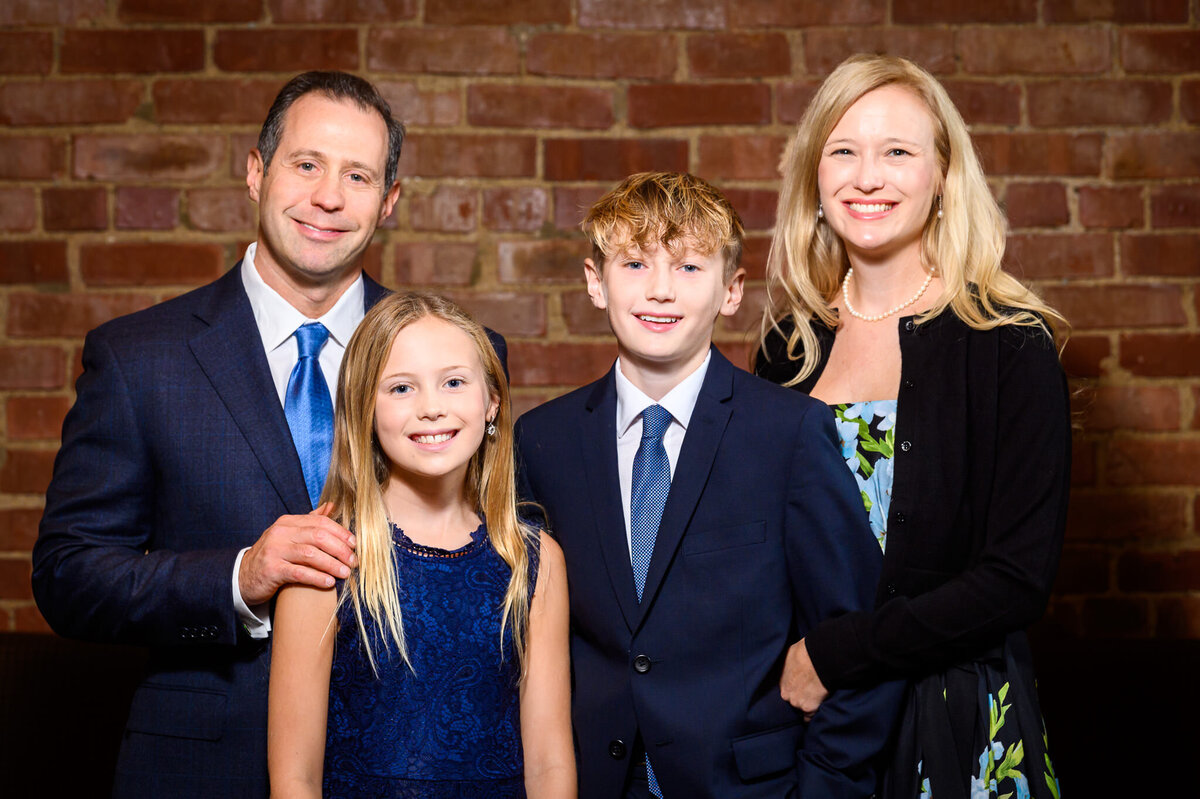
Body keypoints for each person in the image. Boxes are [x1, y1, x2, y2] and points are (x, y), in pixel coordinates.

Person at [32, 71, 503, 798]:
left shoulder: (461, 363)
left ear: (390, 200)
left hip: (416, 765)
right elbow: (68, 574)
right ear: (257, 173)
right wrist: (240, 576)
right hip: (207, 768)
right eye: (306, 164)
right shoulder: (139, 358)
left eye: (358, 175)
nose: (328, 197)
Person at [516, 171, 901, 799]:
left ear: (731, 290)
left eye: (690, 268)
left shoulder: (790, 433)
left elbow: (855, 645)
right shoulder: (542, 442)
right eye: (635, 263)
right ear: (595, 281)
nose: (660, 290)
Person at [754, 54, 1070, 799]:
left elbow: (1015, 580)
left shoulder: (1009, 342)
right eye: (844, 151)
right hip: (808, 730)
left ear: (942, 179)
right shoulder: (786, 348)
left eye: (898, 151)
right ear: (814, 179)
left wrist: (836, 654)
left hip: (957, 728)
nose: (869, 177)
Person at [267, 292, 573, 798]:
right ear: (365, 408)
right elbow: (295, 780)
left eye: (454, 382)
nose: (432, 408)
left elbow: (549, 765)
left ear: (491, 400)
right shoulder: (326, 555)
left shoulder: (533, 561)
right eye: (402, 388)